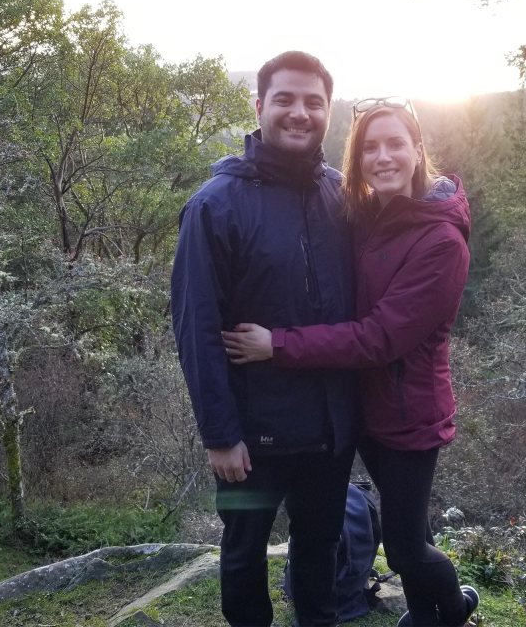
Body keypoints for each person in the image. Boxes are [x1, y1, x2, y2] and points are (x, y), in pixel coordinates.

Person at [222, 97, 478, 627]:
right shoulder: (367, 216)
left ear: (417, 150)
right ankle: (427, 616)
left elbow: (380, 337)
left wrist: (279, 345)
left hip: (410, 415)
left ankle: (454, 609)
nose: (382, 157)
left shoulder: (441, 240)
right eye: (369, 148)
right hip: (363, 409)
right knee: (413, 528)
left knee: (406, 548)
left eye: (394, 144)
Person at [170, 51, 357, 627]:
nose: (299, 113)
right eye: (284, 100)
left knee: (321, 546)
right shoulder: (215, 205)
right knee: (244, 550)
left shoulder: (342, 196)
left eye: (313, 102)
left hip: (329, 428)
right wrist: (220, 434)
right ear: (259, 106)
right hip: (252, 436)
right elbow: (195, 327)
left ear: (329, 112)